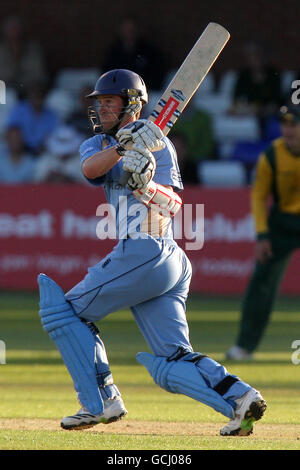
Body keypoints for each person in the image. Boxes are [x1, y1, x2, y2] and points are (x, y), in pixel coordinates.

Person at [37, 69, 266, 436]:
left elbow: (173, 204)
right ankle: (240, 399)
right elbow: (89, 170)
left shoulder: (160, 144)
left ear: (132, 103)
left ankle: (100, 402)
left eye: (109, 103)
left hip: (150, 247)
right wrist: (124, 148)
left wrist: (144, 185)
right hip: (158, 261)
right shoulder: (97, 145)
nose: (101, 110)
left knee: (61, 313)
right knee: (171, 358)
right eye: (99, 103)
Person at [226, 104, 300, 361]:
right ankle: (244, 346)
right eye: (284, 124)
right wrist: (262, 236)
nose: (288, 130)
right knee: (261, 285)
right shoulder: (272, 154)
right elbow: (258, 196)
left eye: (294, 124)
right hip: (282, 223)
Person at [6, 81, 59, 156]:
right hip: (21, 149)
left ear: (45, 96)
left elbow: (53, 137)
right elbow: (11, 131)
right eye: (34, 94)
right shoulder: (19, 109)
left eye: (40, 94)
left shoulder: (51, 115)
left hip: (41, 152)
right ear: (29, 95)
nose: (37, 97)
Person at [0, 16, 48, 93]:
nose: (14, 32)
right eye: (11, 29)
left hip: (30, 89)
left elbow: (38, 74)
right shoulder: (1, 50)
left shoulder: (33, 49)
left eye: (16, 28)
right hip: (6, 89)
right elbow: (3, 76)